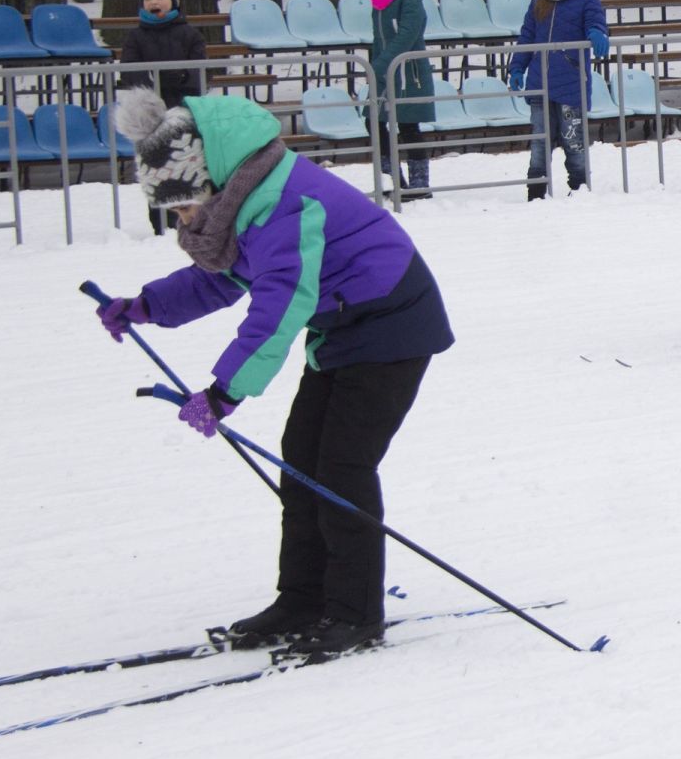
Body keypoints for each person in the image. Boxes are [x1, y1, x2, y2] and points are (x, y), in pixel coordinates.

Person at [100, 88, 453, 657]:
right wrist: (143, 305)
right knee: (302, 459)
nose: (185, 220)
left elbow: (281, 303)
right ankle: (302, 598)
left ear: (210, 178)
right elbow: (222, 279)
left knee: (341, 467)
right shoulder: (246, 200)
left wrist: (224, 392)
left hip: (393, 322)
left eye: (185, 204)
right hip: (342, 327)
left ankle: (354, 612)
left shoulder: (281, 204)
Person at [507, 0, 610, 200]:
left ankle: (579, 188)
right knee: (539, 141)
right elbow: (527, 34)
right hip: (539, 80)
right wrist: (517, 66)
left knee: (573, 140)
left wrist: (598, 32)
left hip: (571, 81)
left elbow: (595, 21)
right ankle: (536, 190)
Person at [118, 0, 208, 235]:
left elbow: (201, 71)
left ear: (173, 2)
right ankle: (160, 222)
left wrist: (180, 78)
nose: (154, 2)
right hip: (150, 115)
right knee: (156, 167)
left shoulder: (190, 34)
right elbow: (130, 72)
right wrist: (151, 83)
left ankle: (193, 217)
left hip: (184, 110)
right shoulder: (135, 36)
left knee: (188, 164)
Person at [365, 0, 436, 200]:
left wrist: (382, 62)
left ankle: (419, 183)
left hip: (407, 73)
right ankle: (391, 178)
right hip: (384, 71)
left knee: (408, 125)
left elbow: (407, 34)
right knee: (374, 120)